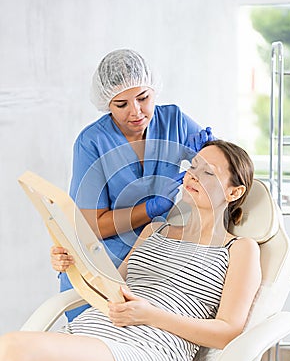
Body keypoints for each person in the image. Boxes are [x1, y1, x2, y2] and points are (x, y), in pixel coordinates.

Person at [0, 140, 261, 361]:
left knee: (13, 347)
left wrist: (150, 316)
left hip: (147, 353)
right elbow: (111, 287)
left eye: (208, 173)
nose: (193, 175)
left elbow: (229, 331)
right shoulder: (154, 230)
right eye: (193, 166)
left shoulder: (239, 249)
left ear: (234, 192)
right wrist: (72, 261)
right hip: (91, 333)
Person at [60, 48, 214, 320]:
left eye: (144, 98)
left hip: (155, 261)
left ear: (154, 90)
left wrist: (211, 153)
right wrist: (150, 208)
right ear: (106, 103)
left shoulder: (173, 121)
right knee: (93, 338)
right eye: (121, 104)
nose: (136, 112)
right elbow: (89, 225)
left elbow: (223, 170)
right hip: (102, 265)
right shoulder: (92, 143)